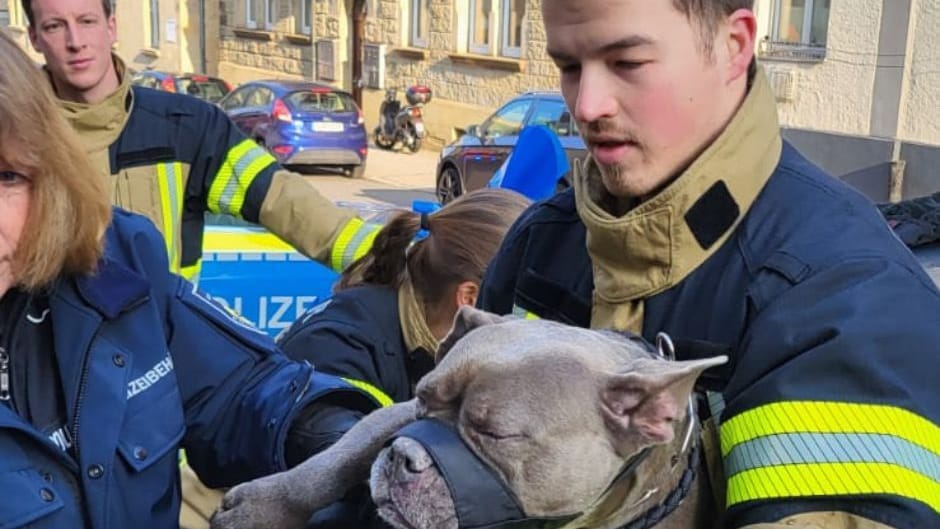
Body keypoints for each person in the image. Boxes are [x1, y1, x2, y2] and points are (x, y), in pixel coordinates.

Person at [479, 2, 940, 529]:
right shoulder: (542, 243)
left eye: (627, 62)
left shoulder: (850, 300)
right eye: (569, 66)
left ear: (734, 46)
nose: (586, 105)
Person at [0, 32, 378, 529]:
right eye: (55, 25)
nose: (74, 41)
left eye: (8, 178)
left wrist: (337, 438)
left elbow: (237, 388)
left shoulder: (114, 264)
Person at [176, 189, 531, 529]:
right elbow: (353, 495)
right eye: (523, 313)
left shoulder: (423, 336)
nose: (532, 333)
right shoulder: (340, 351)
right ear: (468, 297)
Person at [21, 0, 378, 281]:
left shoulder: (187, 129)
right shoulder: (16, 139)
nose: (76, 42)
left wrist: (400, 258)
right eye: (55, 26)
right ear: (35, 37)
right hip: (44, 366)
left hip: (161, 359)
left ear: (111, 26)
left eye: (87, 21)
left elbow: (289, 203)